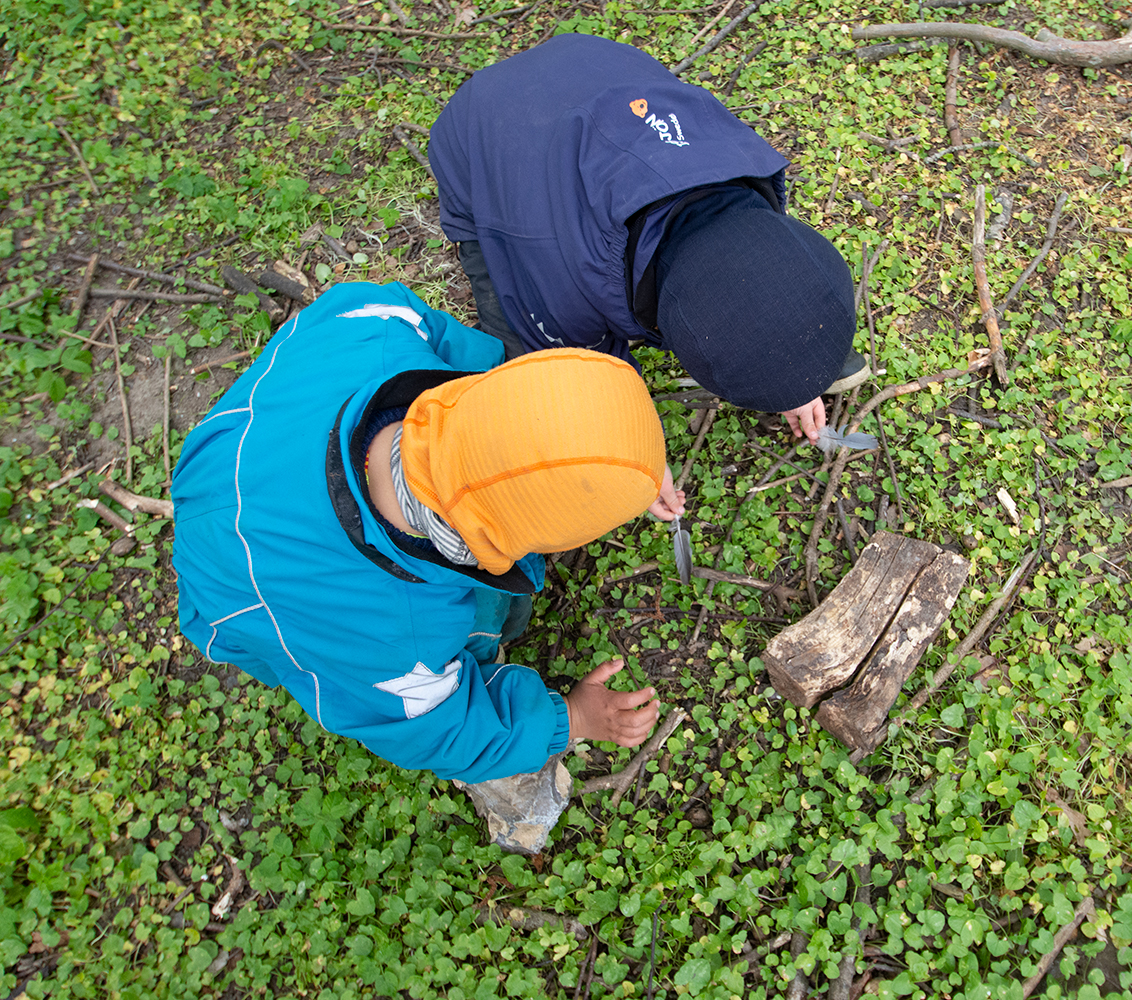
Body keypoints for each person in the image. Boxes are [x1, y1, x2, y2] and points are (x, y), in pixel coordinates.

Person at [171, 281, 682, 782]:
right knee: (484, 621)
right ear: (502, 539)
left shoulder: (381, 329)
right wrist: (572, 719)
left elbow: (473, 373)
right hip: (236, 593)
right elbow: (444, 731)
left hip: (242, 451)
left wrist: (626, 458)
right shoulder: (396, 639)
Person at [427, 32, 867, 445]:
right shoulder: (561, 287)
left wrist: (791, 375)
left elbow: (767, 269)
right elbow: (589, 371)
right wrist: (632, 442)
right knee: (538, 364)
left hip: (595, 63)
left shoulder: (743, 159)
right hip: (482, 125)